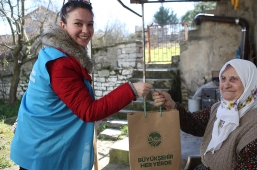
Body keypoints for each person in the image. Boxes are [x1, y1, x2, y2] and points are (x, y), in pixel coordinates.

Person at [10, 1, 152, 170]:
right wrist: (131, 90)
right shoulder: (60, 63)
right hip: (45, 154)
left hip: (37, 141)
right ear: (63, 26)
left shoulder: (51, 52)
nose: (86, 30)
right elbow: (88, 111)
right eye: (78, 23)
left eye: (90, 24)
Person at [152, 59, 257, 170]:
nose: (226, 85)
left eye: (234, 79)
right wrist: (172, 105)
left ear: (249, 83)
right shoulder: (219, 109)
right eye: (223, 78)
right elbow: (193, 124)